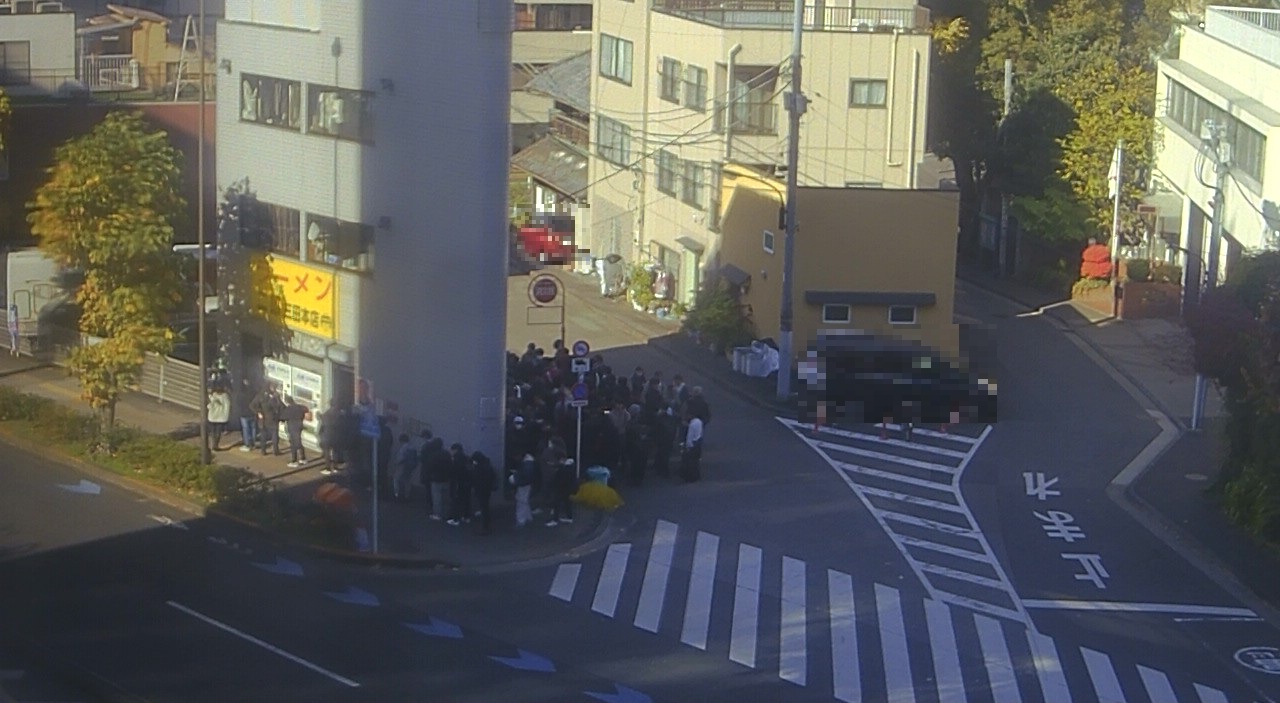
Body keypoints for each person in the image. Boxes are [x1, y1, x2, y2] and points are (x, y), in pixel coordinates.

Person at [250, 383, 285, 456]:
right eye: (273, 388)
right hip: (267, 419)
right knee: (267, 435)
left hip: (269, 419)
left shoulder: (264, 396)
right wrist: (259, 412)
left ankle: (273, 450)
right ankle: (267, 451)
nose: (274, 389)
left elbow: (281, 406)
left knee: (271, 435)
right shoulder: (267, 396)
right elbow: (252, 405)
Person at [423, 438, 451, 521]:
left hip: (436, 478)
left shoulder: (433, 455)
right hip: (446, 478)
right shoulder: (446, 453)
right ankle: (446, 513)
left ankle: (437, 514)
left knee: (437, 497)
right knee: (445, 497)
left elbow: (429, 467)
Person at [471, 451, 497, 535]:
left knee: (484, 508)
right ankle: (486, 525)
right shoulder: (487, 466)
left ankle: (485, 526)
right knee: (485, 507)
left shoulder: (480, 467)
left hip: (481, 489)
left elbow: (477, 478)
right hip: (486, 489)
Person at [447, 442, 472, 526]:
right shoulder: (467, 458)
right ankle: (466, 517)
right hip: (467, 482)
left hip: (457, 482)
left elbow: (453, 471)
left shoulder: (455, 459)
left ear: (455, 450)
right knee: (466, 500)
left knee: (456, 501)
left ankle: (455, 519)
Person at [546, 458, 577, 526]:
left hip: (560, 489)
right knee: (567, 504)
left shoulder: (562, 470)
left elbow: (557, 479)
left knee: (556, 504)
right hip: (568, 490)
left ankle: (555, 520)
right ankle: (569, 518)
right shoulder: (572, 470)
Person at [282, 396, 311, 467]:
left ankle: (294, 460)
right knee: (299, 442)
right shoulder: (300, 407)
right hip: (299, 426)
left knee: (293, 444)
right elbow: (306, 409)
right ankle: (303, 458)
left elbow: (283, 417)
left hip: (292, 427)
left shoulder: (288, 409)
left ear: (287, 402)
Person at [512, 453, 538, 527]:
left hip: (524, 484)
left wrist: (517, 477)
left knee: (521, 502)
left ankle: (521, 520)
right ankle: (528, 517)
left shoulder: (527, 464)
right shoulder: (529, 463)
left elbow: (526, 476)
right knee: (524, 501)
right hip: (527, 484)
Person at [680, 409, 704, 483]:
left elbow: (689, 437)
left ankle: (690, 477)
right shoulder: (699, 422)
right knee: (696, 461)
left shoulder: (692, 425)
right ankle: (696, 476)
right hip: (698, 443)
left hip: (692, 445)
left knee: (690, 462)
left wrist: (687, 446)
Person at [318, 400, 341, 475]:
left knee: (327, 452)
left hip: (327, 435)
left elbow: (322, 426)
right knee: (335, 451)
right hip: (336, 435)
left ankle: (328, 468)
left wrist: (320, 434)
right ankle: (335, 467)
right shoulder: (339, 414)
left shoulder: (326, 414)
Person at [206, 385, 231, 451]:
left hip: (212, 417)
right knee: (218, 432)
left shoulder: (212, 397)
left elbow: (209, 406)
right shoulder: (226, 397)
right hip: (221, 418)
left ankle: (212, 445)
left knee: (212, 432)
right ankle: (215, 445)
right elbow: (227, 408)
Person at [393, 433, 417, 500]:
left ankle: (396, 494)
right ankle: (407, 495)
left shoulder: (403, 448)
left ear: (401, 440)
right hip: (410, 467)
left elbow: (401, 458)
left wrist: (396, 463)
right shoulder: (413, 447)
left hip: (402, 467)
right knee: (407, 481)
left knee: (396, 480)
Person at [237, 379, 258, 453]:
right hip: (253, 413)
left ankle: (247, 445)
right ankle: (253, 443)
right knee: (253, 428)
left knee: (246, 429)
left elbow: (238, 403)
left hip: (244, 414)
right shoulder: (254, 392)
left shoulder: (241, 394)